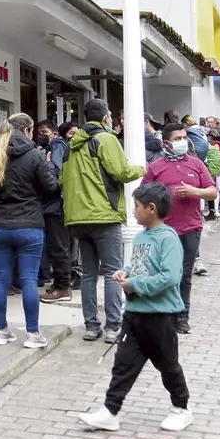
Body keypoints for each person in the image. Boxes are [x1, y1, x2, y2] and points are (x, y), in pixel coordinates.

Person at [77, 182, 192, 432]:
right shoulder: (140, 237)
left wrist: (135, 285)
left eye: (137, 207)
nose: (133, 212)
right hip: (134, 315)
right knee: (123, 364)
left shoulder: (168, 238)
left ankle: (181, 408)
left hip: (160, 317)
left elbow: (169, 277)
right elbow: (138, 266)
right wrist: (124, 272)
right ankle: (110, 410)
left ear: (151, 209)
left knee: (168, 365)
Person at [61, 99, 146, 343]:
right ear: (105, 117)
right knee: (111, 272)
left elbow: (61, 179)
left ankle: (91, 326)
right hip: (104, 216)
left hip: (78, 218)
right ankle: (112, 327)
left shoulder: (70, 146)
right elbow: (121, 172)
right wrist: (141, 168)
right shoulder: (107, 139)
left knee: (88, 274)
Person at [0, 113, 58, 347]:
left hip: (1, 227)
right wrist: (50, 168)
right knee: (28, 279)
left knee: (1, 279)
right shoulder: (35, 155)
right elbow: (51, 187)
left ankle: (1, 332)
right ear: (27, 130)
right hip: (29, 226)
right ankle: (33, 335)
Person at [141, 122, 216, 335]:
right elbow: (143, 196)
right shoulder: (156, 167)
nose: (183, 141)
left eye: (184, 137)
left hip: (191, 227)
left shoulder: (196, 164)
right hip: (164, 231)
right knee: (164, 274)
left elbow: (212, 191)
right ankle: (163, 315)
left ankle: (182, 317)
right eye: (177, 139)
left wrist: (195, 191)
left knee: (184, 275)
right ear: (166, 143)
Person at [39, 121, 75, 303]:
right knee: (59, 245)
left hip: (56, 205)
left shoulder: (57, 146)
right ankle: (61, 283)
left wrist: (46, 166)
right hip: (58, 204)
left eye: (44, 132)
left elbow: (57, 175)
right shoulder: (60, 146)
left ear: (54, 133)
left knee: (58, 246)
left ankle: (63, 287)